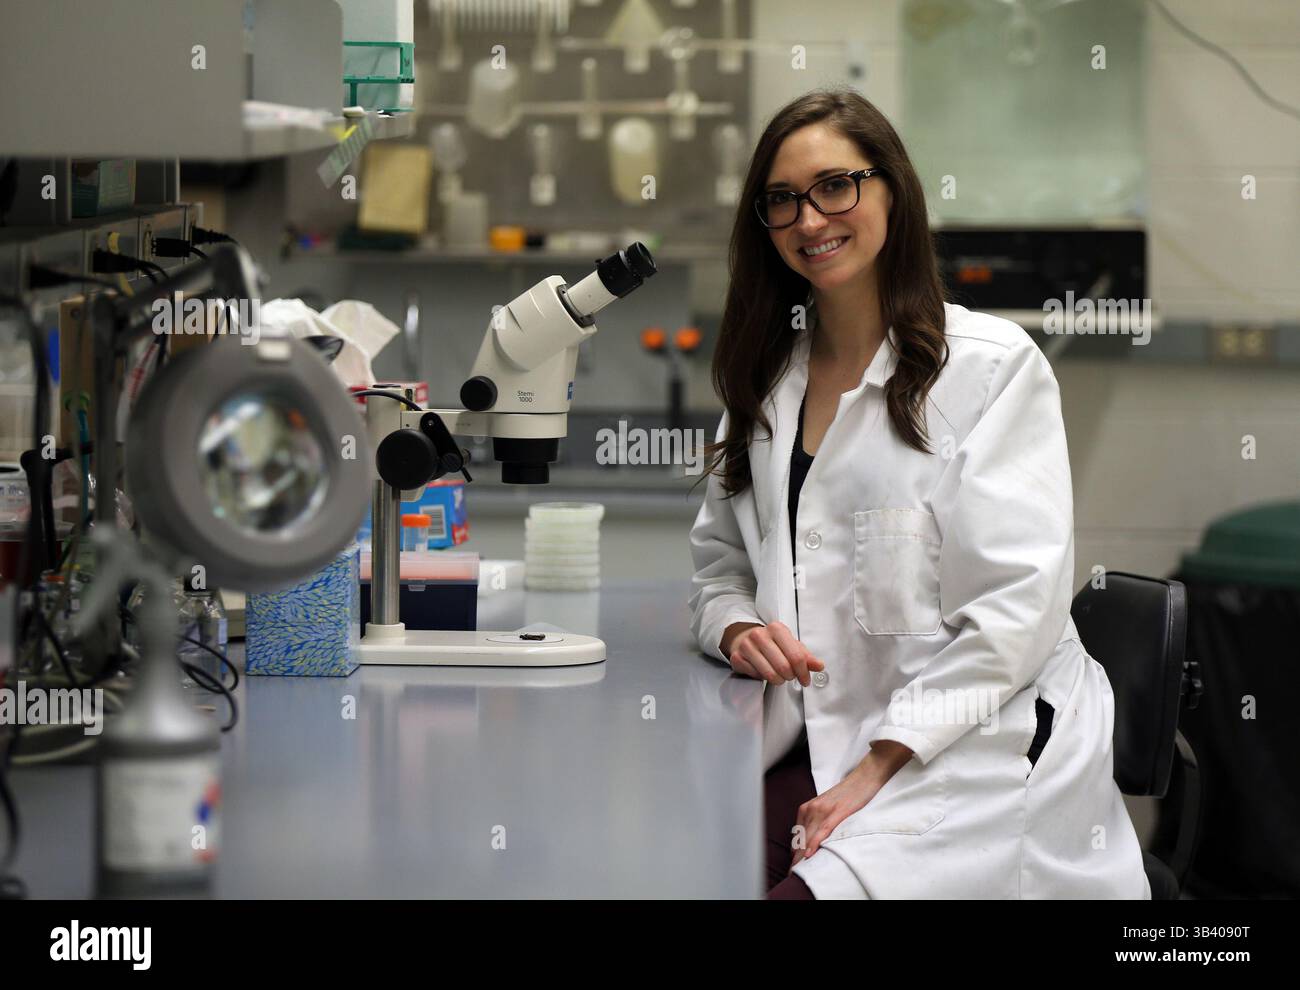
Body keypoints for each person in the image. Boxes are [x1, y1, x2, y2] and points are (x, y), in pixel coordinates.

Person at [687, 88, 1149, 900]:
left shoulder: (990, 368)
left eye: (836, 186)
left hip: (971, 746)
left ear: (891, 190)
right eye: (782, 200)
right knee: (684, 864)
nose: (809, 219)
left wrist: (876, 765)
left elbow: (1014, 613)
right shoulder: (765, 380)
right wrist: (735, 630)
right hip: (814, 736)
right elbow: (719, 568)